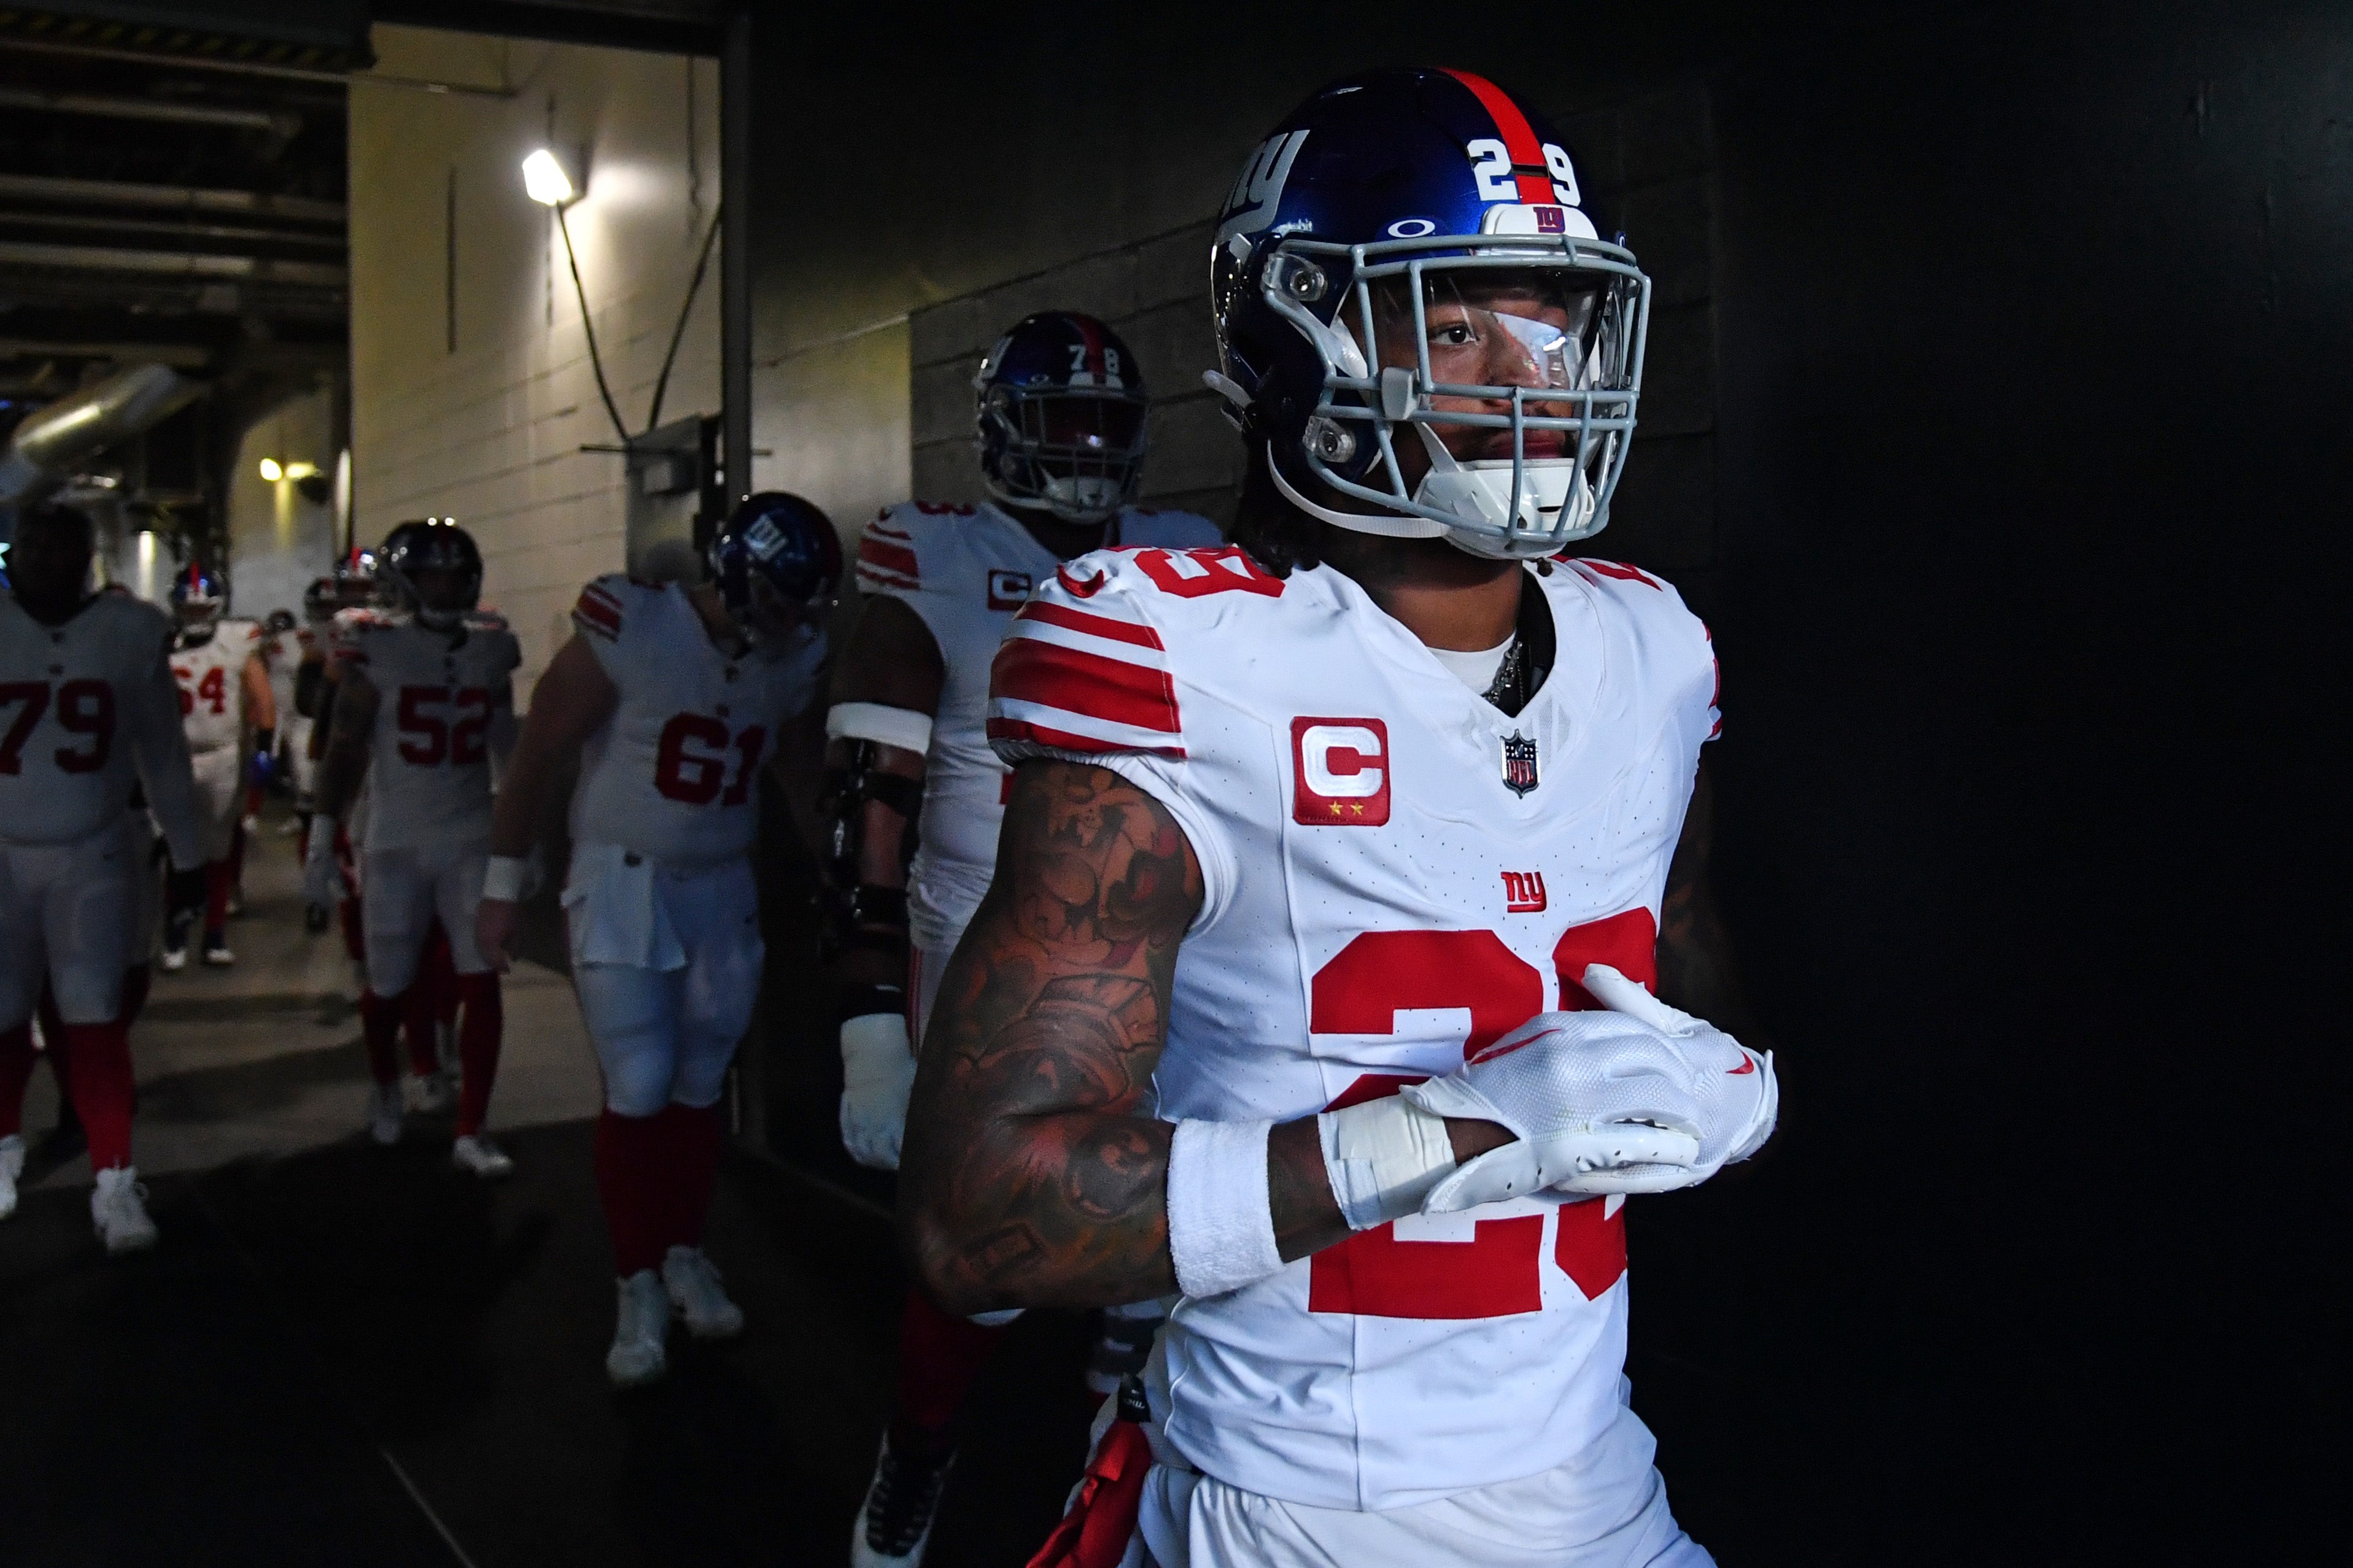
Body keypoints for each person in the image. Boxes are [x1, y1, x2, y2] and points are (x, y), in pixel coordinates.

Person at [902, 70, 1780, 1568]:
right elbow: (981, 1216)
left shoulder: (1649, 648)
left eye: (1552, 320)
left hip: (1595, 1475)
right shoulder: (1184, 658)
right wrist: (1452, 1134)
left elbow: (1687, 982)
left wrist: (1720, 1087)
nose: (1534, 376)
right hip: (1299, 1508)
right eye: (1452, 326)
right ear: (1294, 336)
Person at [829, 311, 1220, 1567]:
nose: (1090, 448)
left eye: (1108, 424)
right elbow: (868, 806)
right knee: (983, 1255)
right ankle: (919, 1448)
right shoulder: (934, 554)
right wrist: (866, 1017)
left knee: (1157, 1233)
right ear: (1002, 432)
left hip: (1159, 943)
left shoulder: (1186, 552)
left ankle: (1116, 1432)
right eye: (1064, 422)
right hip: (983, 940)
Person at [477, 493, 836, 1386]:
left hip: (721, 885)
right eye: (782, 598)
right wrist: (500, 885)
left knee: (697, 1083)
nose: (792, 622)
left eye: (805, 604)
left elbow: (791, 763)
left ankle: (680, 1250)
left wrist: (838, 862)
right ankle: (634, 1275)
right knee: (638, 1083)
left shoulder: (786, 658)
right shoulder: (636, 623)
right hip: (624, 879)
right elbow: (538, 751)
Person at [0, 503, 204, 1247]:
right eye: (35, 544)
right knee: (2, 1010)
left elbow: (165, 755)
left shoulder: (128, 631)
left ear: (89, 555)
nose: (47, 559)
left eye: (63, 546)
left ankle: (115, 1182)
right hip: (2, 847)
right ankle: (4, 1153)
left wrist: (190, 858)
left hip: (94, 847)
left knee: (93, 1014)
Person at [305, 520, 519, 1174]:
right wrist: (322, 832)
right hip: (393, 837)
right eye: (432, 576)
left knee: (481, 978)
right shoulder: (376, 646)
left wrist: (520, 836)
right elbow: (342, 747)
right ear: (402, 581)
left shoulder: (491, 649)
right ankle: (387, 1082)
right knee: (389, 982)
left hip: (466, 834)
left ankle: (471, 1126)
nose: (446, 587)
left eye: (455, 575)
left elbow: (507, 748)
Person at [161, 564, 273, 970]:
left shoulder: (237, 642)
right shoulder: (162, 643)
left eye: (202, 609)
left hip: (222, 753)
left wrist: (263, 746)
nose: (195, 618)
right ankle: (175, 933)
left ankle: (213, 933)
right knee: (176, 847)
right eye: (188, 611)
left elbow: (261, 696)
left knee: (219, 849)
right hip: (175, 755)